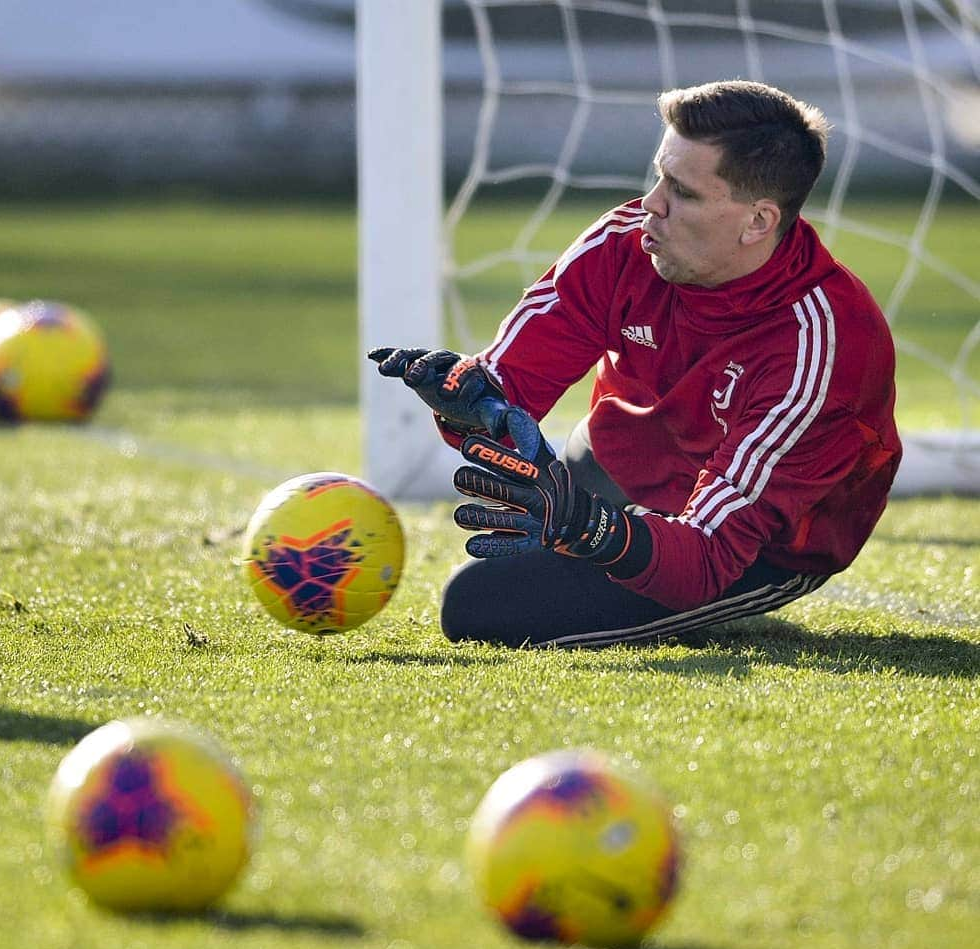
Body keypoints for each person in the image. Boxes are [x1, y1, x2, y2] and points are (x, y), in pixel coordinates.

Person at [370, 79, 901, 648]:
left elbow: (709, 554)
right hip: (618, 465)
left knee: (479, 606)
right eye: (658, 175)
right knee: (509, 552)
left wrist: (588, 529)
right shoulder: (627, 244)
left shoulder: (824, 347)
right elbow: (510, 391)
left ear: (757, 222)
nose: (651, 203)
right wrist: (472, 402)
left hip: (757, 547)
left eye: (683, 191)